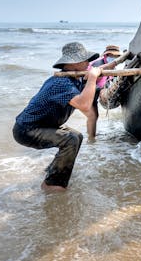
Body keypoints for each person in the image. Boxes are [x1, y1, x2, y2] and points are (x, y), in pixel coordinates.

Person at [12, 42, 102, 192]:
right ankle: (52, 184)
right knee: (70, 139)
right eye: (84, 59)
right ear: (72, 63)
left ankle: (54, 170)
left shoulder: (75, 79)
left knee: (76, 136)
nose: (88, 62)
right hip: (27, 129)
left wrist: (96, 77)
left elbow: (91, 92)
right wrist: (93, 78)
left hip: (48, 125)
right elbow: (84, 105)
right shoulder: (60, 82)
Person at [86, 45, 122, 140]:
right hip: (91, 90)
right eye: (112, 56)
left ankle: (92, 136)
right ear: (107, 55)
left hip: (98, 90)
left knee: (94, 115)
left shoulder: (112, 67)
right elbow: (89, 80)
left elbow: (110, 80)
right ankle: (91, 137)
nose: (115, 58)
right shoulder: (98, 64)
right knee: (93, 115)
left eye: (116, 57)